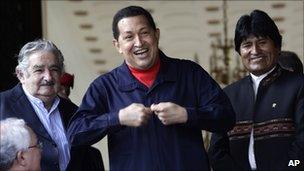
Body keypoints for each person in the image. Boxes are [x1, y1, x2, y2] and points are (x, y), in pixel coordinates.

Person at [68, 5, 235, 170]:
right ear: (117, 45)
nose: (139, 42)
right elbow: (75, 134)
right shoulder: (105, 86)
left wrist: (187, 114)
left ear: (157, 34)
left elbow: (227, 117)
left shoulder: (189, 73)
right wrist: (118, 118)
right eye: (129, 37)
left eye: (144, 33)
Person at [208, 10, 304, 171]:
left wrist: (290, 167)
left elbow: (302, 146)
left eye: (262, 42)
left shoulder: (299, 85)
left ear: (277, 46)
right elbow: (217, 151)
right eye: (247, 45)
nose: (255, 51)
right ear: (239, 52)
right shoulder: (228, 94)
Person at [0, 39, 78, 171]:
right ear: (21, 75)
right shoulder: (2, 105)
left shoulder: (73, 111)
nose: (48, 77)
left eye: (54, 69)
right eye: (39, 70)